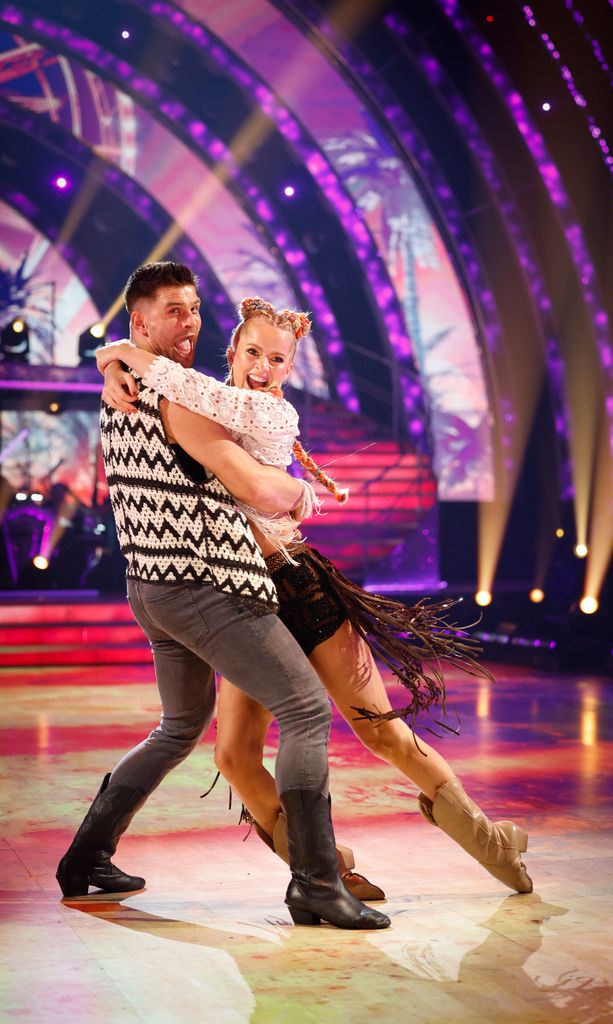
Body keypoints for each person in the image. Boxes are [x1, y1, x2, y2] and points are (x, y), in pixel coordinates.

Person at [100, 296, 532, 896]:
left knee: (379, 731)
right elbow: (177, 387)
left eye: (278, 359)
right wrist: (114, 361)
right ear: (233, 351)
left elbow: (181, 383)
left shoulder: (266, 414)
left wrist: (116, 353)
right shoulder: (200, 400)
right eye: (253, 352)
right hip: (239, 597)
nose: (263, 367)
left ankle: (491, 846)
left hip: (297, 588)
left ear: (291, 368)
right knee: (232, 757)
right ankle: (319, 866)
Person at [56, 263, 389, 931]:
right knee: (303, 710)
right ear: (141, 321)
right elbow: (257, 487)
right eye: (173, 311)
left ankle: (85, 859)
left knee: (180, 727)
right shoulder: (173, 397)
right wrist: (298, 493)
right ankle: (316, 883)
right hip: (201, 583)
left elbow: (136, 366)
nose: (190, 323)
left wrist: (112, 355)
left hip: (150, 585)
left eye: (195, 310)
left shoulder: (125, 383)